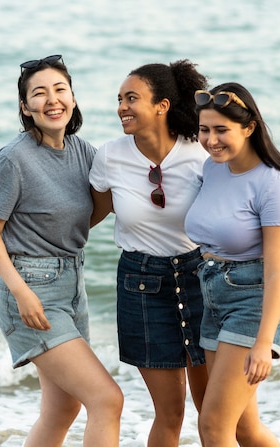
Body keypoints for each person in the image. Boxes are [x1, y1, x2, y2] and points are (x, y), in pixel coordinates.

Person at [0, 55, 123, 447]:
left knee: (63, 409)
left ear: (73, 98)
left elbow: (88, 213)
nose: (52, 100)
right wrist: (22, 292)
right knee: (106, 399)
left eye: (60, 89)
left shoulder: (83, 152)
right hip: (29, 289)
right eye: (39, 93)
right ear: (26, 108)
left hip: (72, 287)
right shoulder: (13, 160)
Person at [89, 60, 209, 447]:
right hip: (141, 285)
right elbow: (90, 216)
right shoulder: (110, 156)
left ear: (162, 106)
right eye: (119, 99)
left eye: (131, 98)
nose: (122, 107)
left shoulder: (200, 153)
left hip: (199, 280)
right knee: (171, 411)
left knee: (213, 411)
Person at [184, 82, 280, 447]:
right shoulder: (213, 167)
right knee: (244, 430)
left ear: (249, 128)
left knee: (214, 427)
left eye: (222, 130)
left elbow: (277, 270)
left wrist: (264, 343)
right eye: (205, 130)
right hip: (212, 294)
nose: (211, 139)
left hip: (253, 302)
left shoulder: (274, 185)